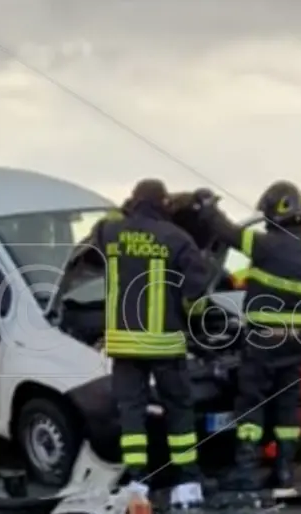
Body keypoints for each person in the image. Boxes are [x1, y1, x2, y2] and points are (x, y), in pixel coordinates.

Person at [196, 181, 301, 491]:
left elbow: (227, 232)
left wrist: (208, 207)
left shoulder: (265, 245)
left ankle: (245, 469)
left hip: (263, 340)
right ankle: (284, 471)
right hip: (296, 343)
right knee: (287, 405)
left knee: (251, 403)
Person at [89, 179, 210, 510]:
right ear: (163, 204)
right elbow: (196, 294)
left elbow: (99, 232)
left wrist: (127, 211)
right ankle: (186, 483)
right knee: (179, 411)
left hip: (124, 343)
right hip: (164, 344)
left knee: (131, 414)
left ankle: (137, 483)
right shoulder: (178, 238)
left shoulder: (110, 231)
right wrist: (194, 317)